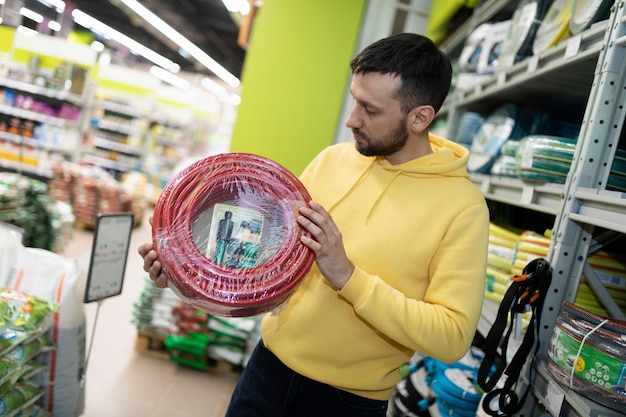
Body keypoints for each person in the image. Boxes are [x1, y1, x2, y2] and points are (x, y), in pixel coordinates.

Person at [139, 32, 489, 417]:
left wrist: (348, 276)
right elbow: (269, 257)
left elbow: (453, 336)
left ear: (420, 117)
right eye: (356, 100)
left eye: (370, 110)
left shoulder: (462, 207)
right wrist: (184, 268)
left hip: (347, 402)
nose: (352, 119)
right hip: (266, 370)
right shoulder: (333, 160)